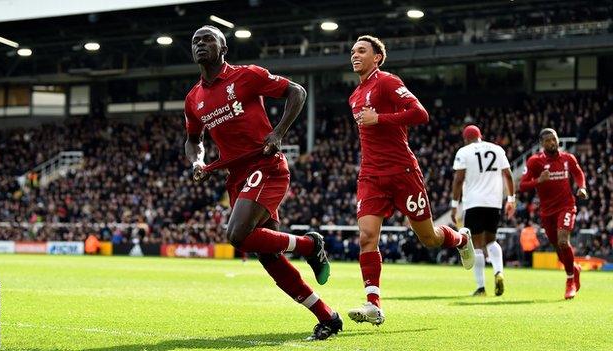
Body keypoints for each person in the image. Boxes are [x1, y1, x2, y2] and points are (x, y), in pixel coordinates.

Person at [184, 25, 341, 340]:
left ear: (224, 48)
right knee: (270, 257)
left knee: (237, 235)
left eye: (208, 39)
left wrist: (279, 132)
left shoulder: (246, 76)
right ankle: (328, 317)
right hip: (237, 177)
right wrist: (197, 161)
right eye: (195, 41)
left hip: (266, 166)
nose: (200, 44)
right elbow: (192, 140)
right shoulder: (193, 98)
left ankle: (311, 245)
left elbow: (297, 91)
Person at [346, 35, 475, 326]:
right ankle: (373, 304)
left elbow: (420, 114)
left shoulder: (388, 82)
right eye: (353, 51)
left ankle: (460, 238)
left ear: (377, 57)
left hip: (403, 172)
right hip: (370, 175)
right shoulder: (354, 96)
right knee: (367, 237)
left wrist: (380, 118)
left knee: (428, 238)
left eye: (362, 51)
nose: (354, 55)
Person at [519, 128, 588, 299]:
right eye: (548, 140)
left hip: (567, 206)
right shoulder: (535, 162)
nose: (552, 143)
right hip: (547, 211)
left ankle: (570, 280)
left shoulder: (567, 158)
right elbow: (522, 185)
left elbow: (578, 173)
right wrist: (538, 181)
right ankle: (574, 269)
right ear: (542, 144)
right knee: (559, 250)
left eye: (554, 139)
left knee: (564, 241)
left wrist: (582, 187)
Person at [451, 125, 515, 296]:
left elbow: (458, 180)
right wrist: (511, 199)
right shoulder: (497, 149)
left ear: (466, 139)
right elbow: (508, 175)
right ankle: (499, 272)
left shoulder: (464, 152)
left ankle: (480, 288)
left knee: (477, 246)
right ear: (480, 136)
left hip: (473, 202)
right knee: (491, 241)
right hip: (494, 203)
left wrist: (454, 204)